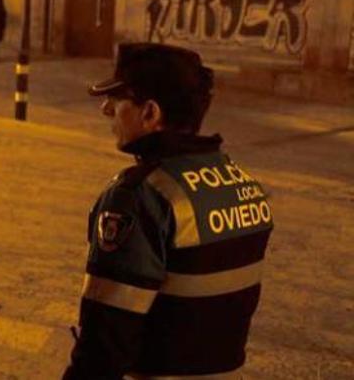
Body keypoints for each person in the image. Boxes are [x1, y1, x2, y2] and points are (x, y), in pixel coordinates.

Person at [65, 43, 273, 379]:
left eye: (117, 100)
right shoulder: (243, 185)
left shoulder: (139, 195)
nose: (106, 109)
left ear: (150, 113)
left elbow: (106, 341)